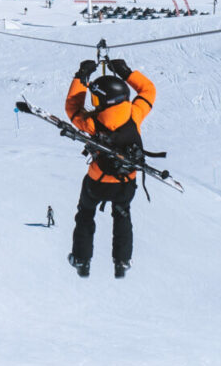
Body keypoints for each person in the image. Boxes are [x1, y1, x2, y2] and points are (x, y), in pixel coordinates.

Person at [65, 57, 156, 279]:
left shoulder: (91, 122)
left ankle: (82, 260)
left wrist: (81, 78)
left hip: (97, 181)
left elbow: (72, 108)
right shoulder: (134, 114)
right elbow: (148, 90)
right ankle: (122, 262)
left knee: (86, 214)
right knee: (122, 215)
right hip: (126, 182)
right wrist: (126, 73)